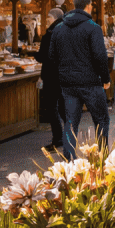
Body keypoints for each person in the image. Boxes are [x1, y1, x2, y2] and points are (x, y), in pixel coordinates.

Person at [49, 0, 111, 158]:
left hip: (68, 84)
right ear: (89, 6)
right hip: (90, 82)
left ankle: (69, 161)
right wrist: (105, 79)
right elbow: (100, 56)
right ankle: (103, 158)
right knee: (101, 121)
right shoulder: (93, 27)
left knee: (70, 123)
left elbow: (52, 57)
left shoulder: (58, 28)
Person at [37, 8, 65, 152]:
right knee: (63, 106)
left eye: (48, 16)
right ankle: (69, 136)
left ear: (53, 17)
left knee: (52, 107)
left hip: (51, 76)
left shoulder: (50, 33)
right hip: (64, 74)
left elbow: (43, 56)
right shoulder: (66, 31)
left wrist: (32, 54)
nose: (46, 19)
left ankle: (58, 138)